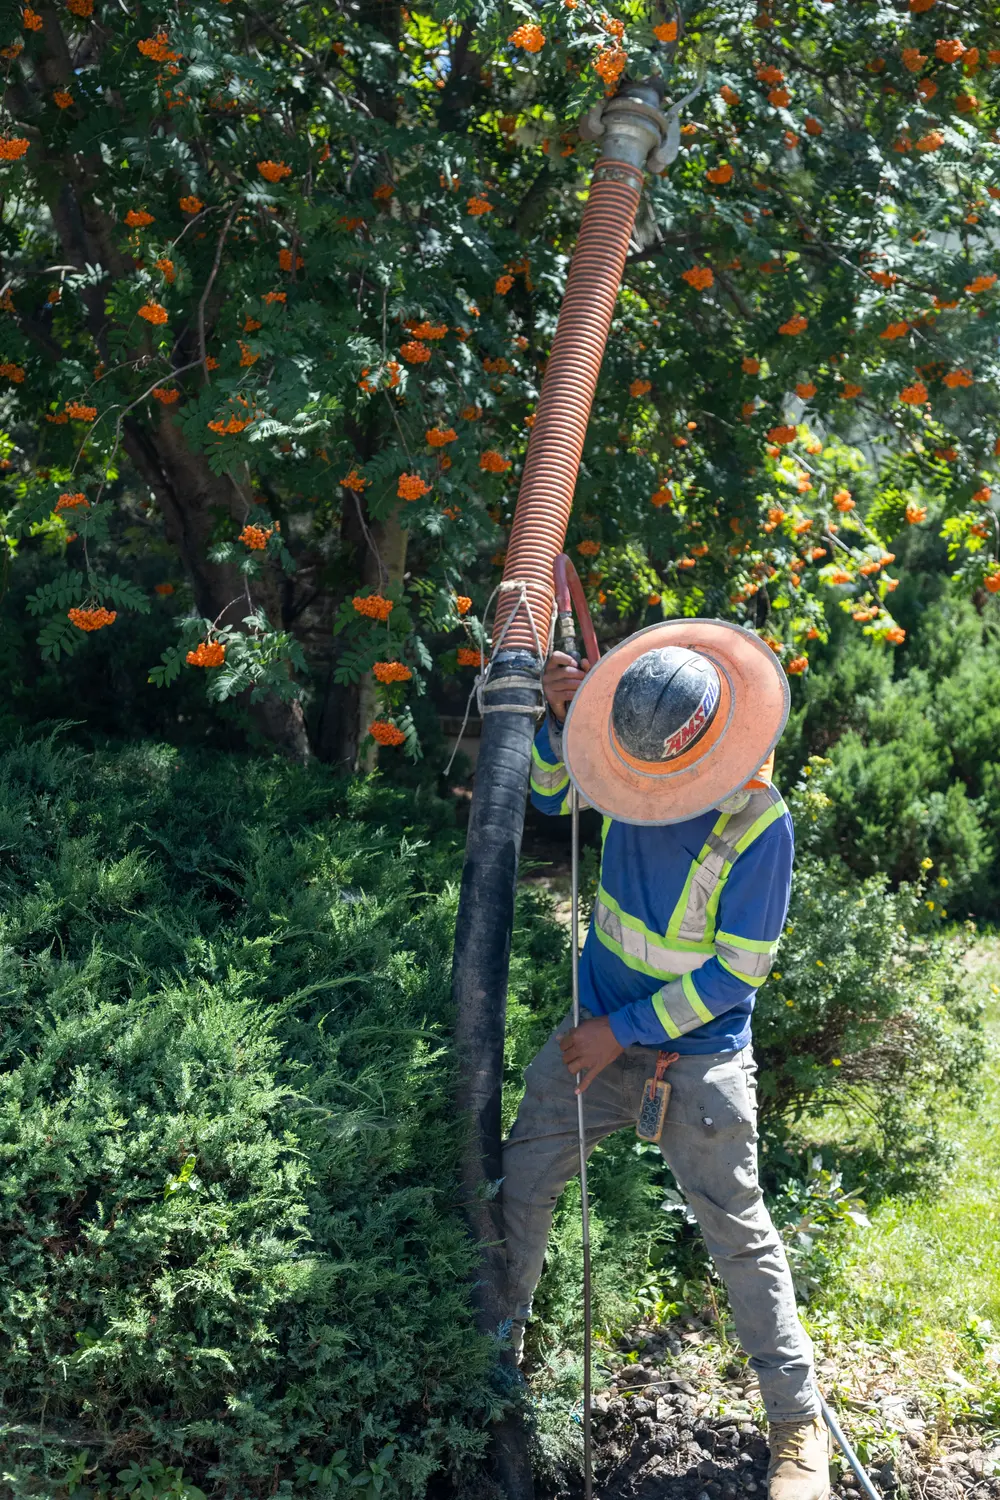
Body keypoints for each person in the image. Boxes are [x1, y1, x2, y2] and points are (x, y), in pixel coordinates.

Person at [502, 620, 830, 1500]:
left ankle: (798, 1430)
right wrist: (560, 720)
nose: (650, 795)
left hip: (697, 1057)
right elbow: (549, 798)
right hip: (593, 1032)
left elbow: (738, 972)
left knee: (737, 1230)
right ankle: (498, 1365)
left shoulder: (761, 823)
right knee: (523, 1184)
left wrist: (624, 1030)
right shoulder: (627, 751)